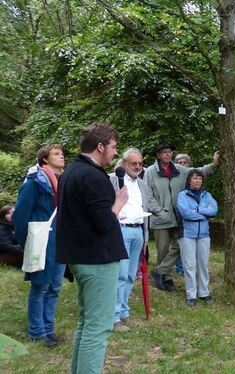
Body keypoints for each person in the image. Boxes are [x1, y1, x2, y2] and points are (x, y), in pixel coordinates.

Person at [56, 123, 129, 373]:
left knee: (86, 323)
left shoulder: (70, 172)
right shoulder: (93, 176)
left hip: (79, 256)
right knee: (98, 328)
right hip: (97, 259)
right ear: (100, 146)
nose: (114, 152)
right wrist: (119, 202)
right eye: (113, 147)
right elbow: (105, 223)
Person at [146, 141, 219, 292]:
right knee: (163, 250)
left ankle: (159, 272)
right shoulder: (150, 172)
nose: (168, 154)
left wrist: (214, 164)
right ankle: (164, 279)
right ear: (158, 155)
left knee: (181, 246)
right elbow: (147, 196)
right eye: (165, 152)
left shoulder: (179, 169)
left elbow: (198, 172)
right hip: (161, 219)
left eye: (170, 152)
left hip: (179, 218)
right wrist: (160, 211)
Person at [13, 144, 67, 348]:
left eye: (62, 153)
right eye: (55, 153)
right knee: (41, 286)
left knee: (54, 286)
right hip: (41, 241)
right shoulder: (35, 183)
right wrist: (27, 242)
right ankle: (37, 331)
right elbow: (20, 215)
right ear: (44, 159)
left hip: (59, 241)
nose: (61, 155)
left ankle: (48, 328)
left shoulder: (62, 183)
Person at [108, 148, 163, 332]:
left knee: (131, 275)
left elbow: (145, 209)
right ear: (124, 163)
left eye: (140, 163)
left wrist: (146, 237)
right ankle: (114, 317)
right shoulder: (111, 180)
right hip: (120, 231)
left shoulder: (142, 185)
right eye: (134, 163)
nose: (138, 167)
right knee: (120, 274)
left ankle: (124, 312)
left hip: (138, 232)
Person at [177, 170, 218, 307]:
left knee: (203, 264)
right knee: (189, 265)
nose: (198, 181)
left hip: (204, 235)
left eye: (200, 178)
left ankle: (204, 293)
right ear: (189, 180)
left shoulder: (207, 195)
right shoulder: (182, 195)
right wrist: (204, 214)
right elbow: (185, 213)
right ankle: (191, 295)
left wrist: (198, 211)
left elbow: (214, 210)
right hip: (187, 234)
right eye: (195, 178)